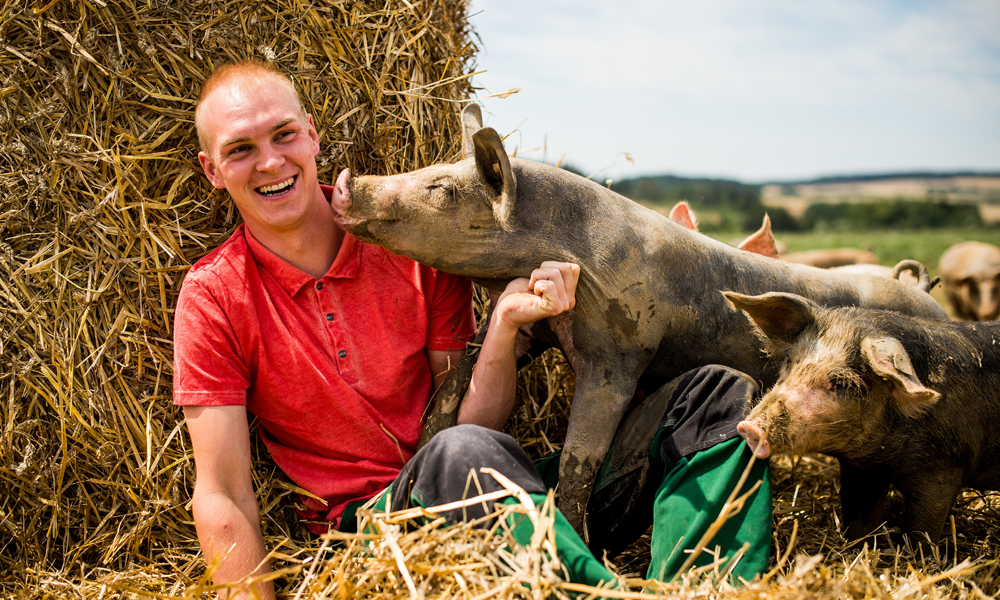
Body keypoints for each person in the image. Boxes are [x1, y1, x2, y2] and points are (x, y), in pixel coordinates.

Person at [174, 60, 771, 599]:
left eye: (283, 135)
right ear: (211, 170)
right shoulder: (216, 297)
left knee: (714, 395)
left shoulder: (413, 242)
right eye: (240, 149)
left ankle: (708, 589)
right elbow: (222, 492)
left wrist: (505, 328)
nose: (271, 161)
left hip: (501, 489)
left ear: (311, 134)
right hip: (377, 536)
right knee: (459, 457)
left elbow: (473, 425)